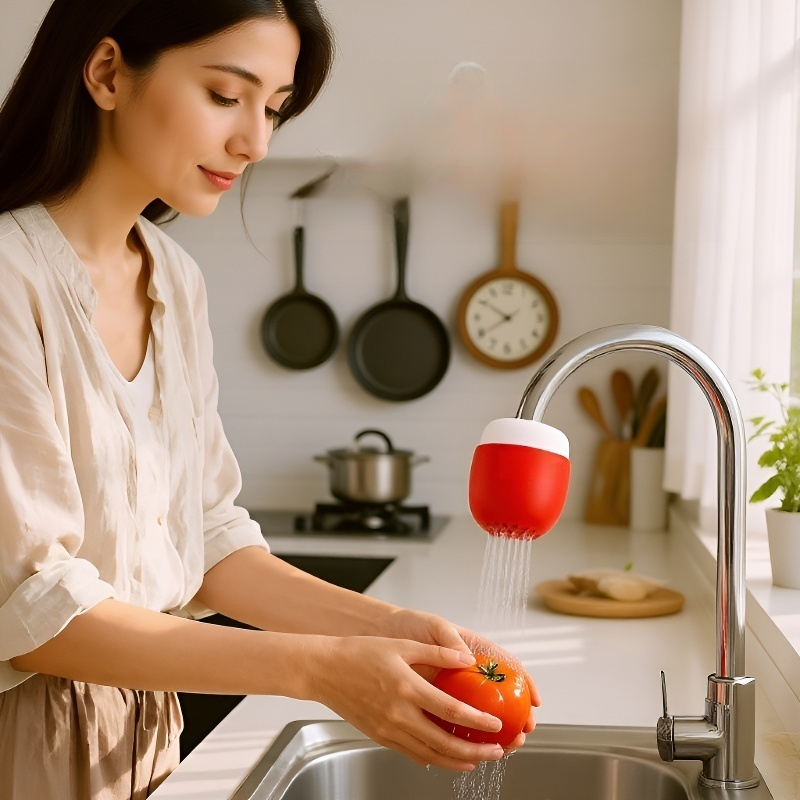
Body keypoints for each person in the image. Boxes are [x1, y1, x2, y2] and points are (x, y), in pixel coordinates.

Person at [0, 1, 541, 798]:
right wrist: (320, 668)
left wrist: (390, 629)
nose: (255, 142)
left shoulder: (173, 279)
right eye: (227, 96)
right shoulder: (12, 280)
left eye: (274, 110)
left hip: (145, 734)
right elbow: (38, 607)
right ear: (108, 72)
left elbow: (210, 538)